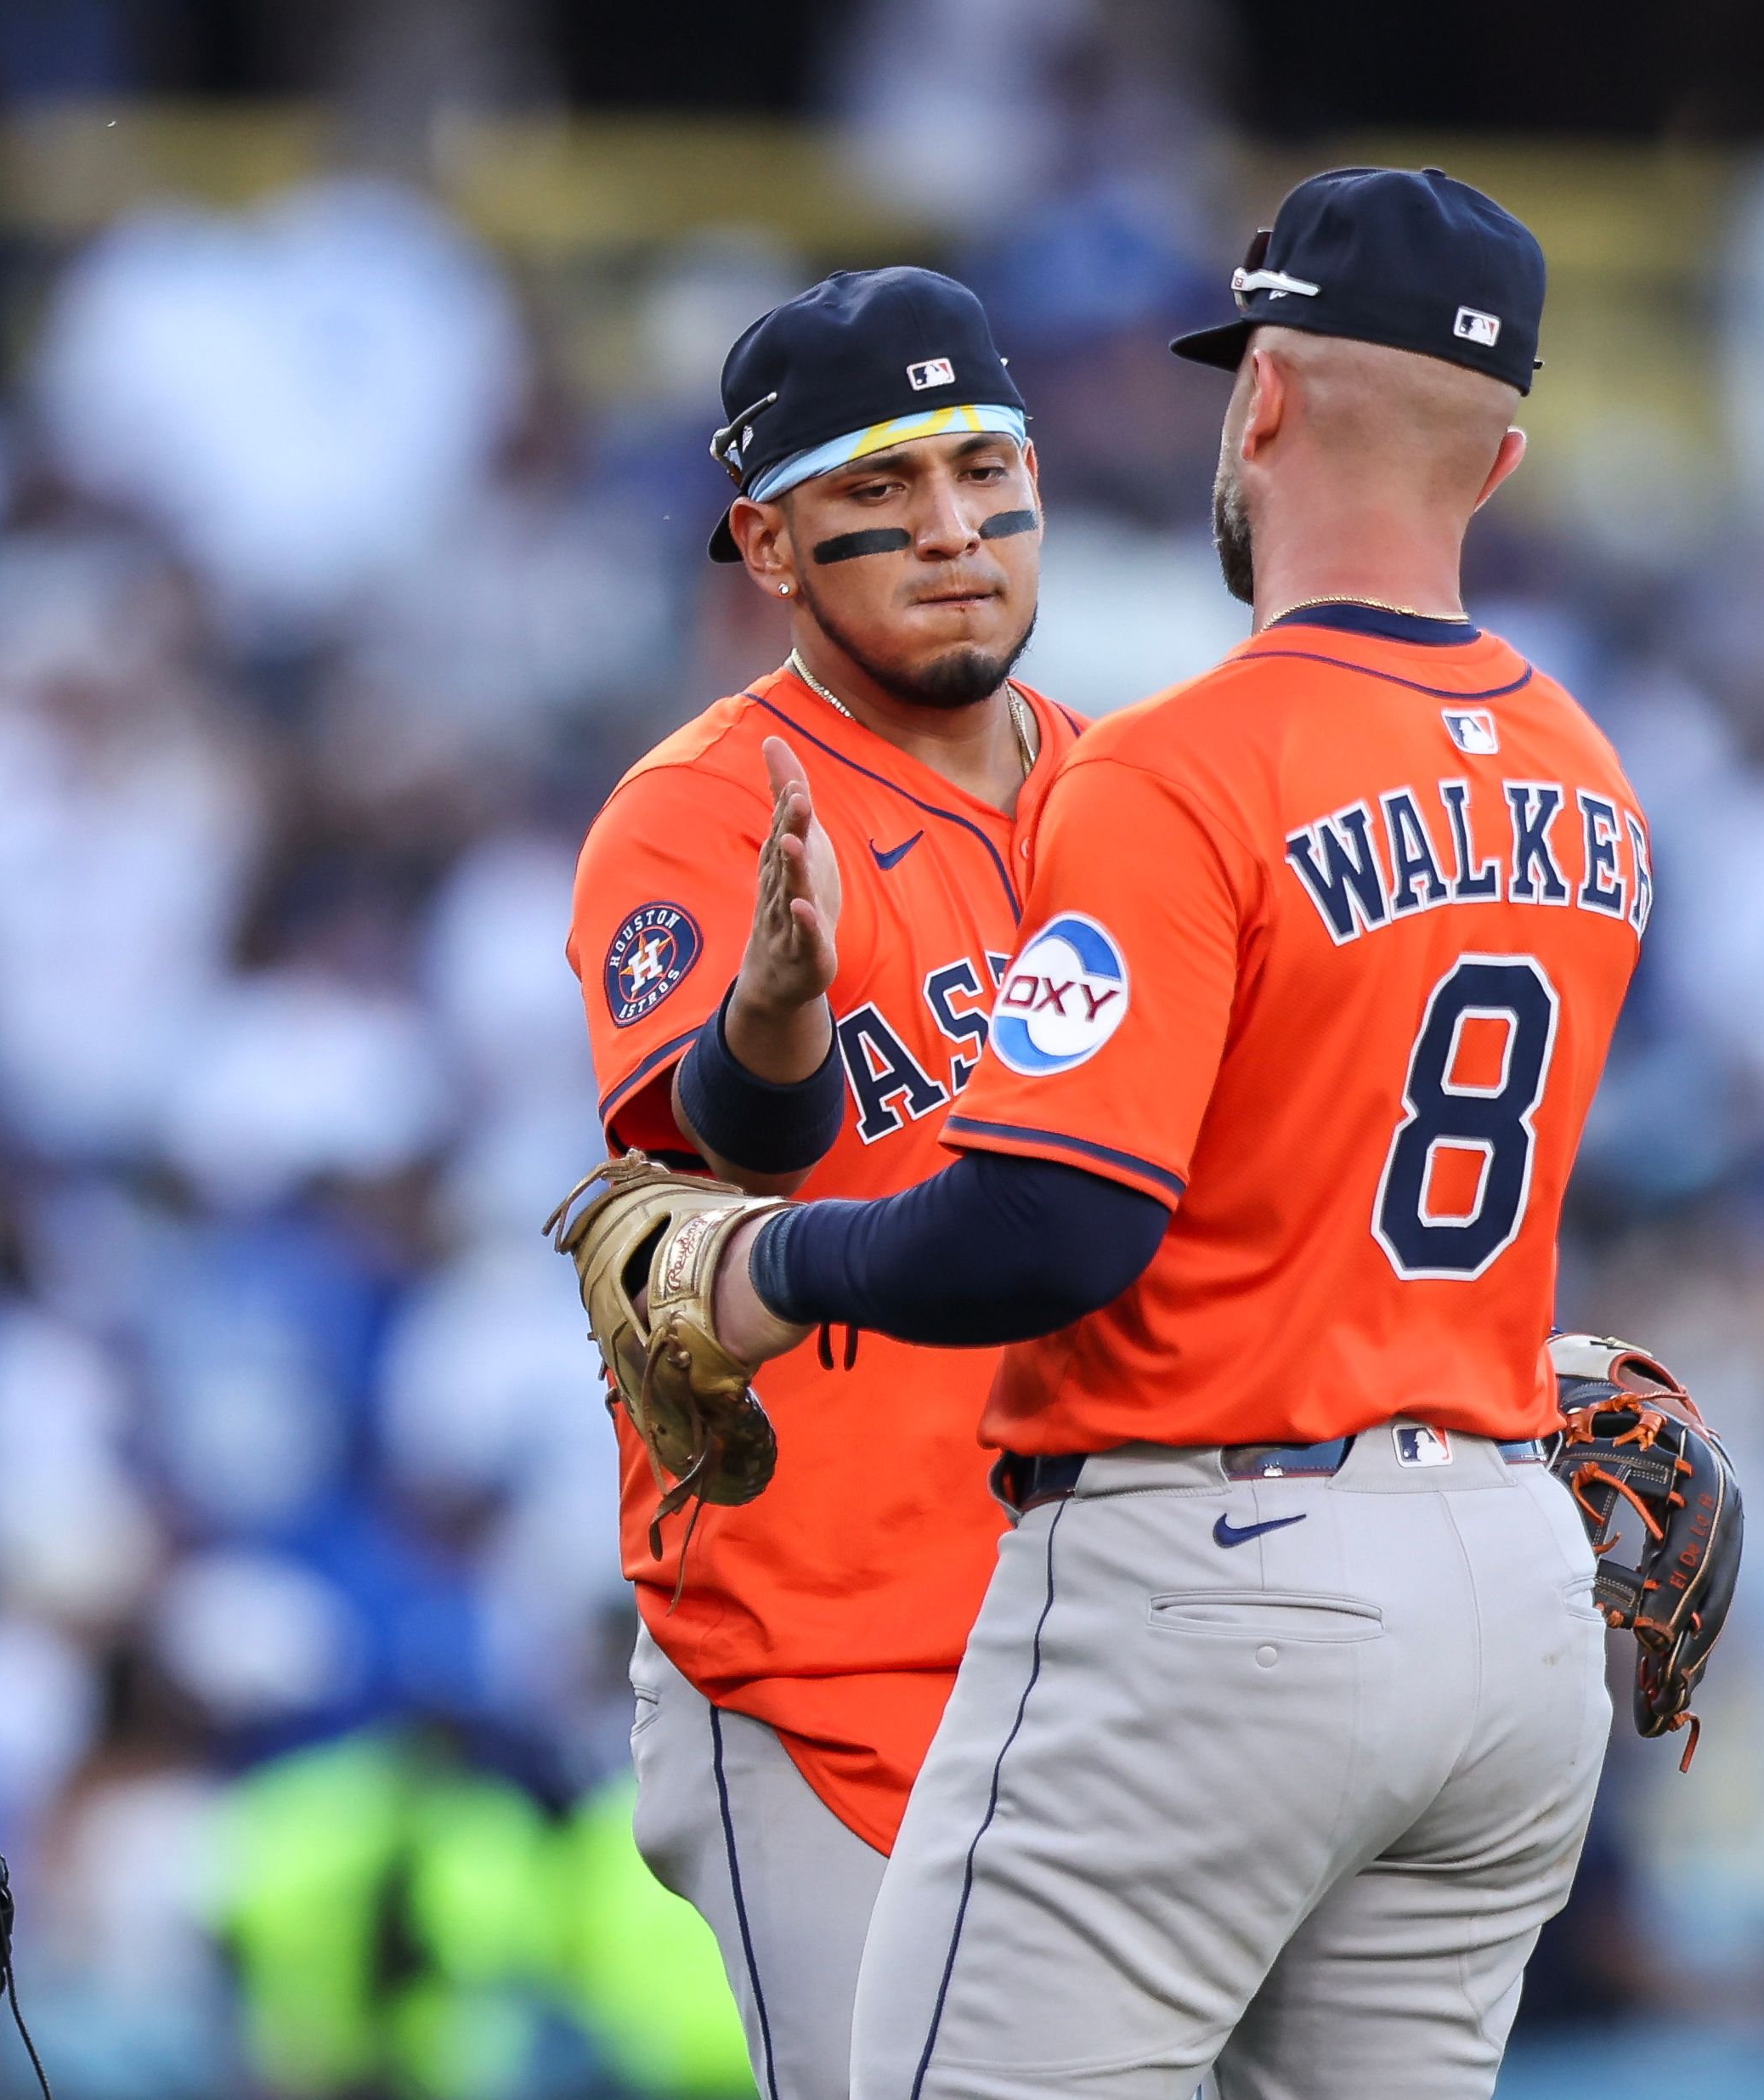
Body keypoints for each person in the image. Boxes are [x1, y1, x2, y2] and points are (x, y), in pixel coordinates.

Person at [658, 168, 1648, 2097]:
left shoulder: (1178, 767)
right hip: (1517, 1589)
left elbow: (1053, 1229)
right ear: (1502, 459)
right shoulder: (1588, 777)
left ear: (1260, 398)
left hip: (1219, 1578)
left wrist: (767, 1264)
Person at [564, 266, 1080, 2100]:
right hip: (826, 1661)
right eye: (879, 487)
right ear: (769, 545)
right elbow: (717, 1167)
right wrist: (777, 1009)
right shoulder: (704, 806)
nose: (950, 530)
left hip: (1110, 1649)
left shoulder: (1134, 797)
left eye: (981, 468)